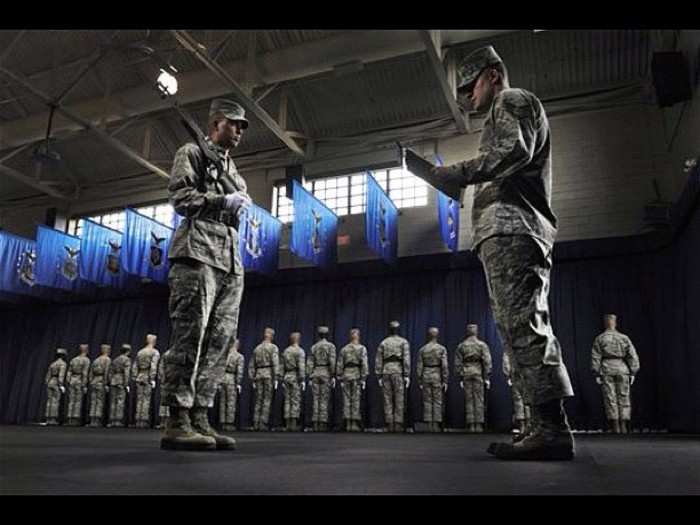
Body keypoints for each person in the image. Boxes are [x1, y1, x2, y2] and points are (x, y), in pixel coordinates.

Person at [405, 45, 574, 460]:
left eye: (470, 85)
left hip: (514, 229)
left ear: (493, 75)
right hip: (504, 233)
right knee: (517, 328)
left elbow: (512, 153)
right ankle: (541, 427)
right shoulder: (500, 110)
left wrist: (453, 174)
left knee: (524, 326)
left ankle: (552, 429)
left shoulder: (511, 101)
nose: (467, 97)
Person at [161, 98, 252, 451]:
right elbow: (181, 198)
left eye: (243, 126)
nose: (240, 130)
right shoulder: (193, 152)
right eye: (234, 123)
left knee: (221, 340)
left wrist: (237, 203)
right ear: (216, 123)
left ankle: (200, 414)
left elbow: (237, 213)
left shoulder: (236, 175)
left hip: (230, 260)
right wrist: (219, 202)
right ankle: (177, 420)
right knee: (191, 335)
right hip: (197, 251)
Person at [591, 314, 640, 434]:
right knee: (623, 396)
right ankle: (623, 424)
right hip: (622, 368)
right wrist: (633, 371)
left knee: (610, 397)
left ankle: (615, 425)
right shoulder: (624, 338)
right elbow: (632, 355)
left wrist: (596, 372)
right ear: (615, 323)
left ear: (605, 323)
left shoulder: (600, 338)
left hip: (607, 368)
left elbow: (595, 356)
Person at [455, 324, 492, 433]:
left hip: (467, 372)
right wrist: (487, 376)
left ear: (467, 332)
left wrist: (460, 376)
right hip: (478, 372)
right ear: (477, 332)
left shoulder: (462, 345)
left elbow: (458, 363)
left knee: (469, 399)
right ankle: (479, 424)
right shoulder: (482, 345)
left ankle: (471, 424)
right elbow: (487, 362)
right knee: (479, 398)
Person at [417, 327, 449, 432]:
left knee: (427, 400)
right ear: (437, 335)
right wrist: (445, 380)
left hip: (426, 374)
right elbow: (444, 366)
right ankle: (436, 424)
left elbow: (419, 366)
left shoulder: (423, 349)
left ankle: (428, 424)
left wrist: (420, 380)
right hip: (436, 375)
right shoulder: (441, 349)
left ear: (428, 335)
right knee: (437, 400)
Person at [66, 344, 90, 426]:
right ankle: (75, 420)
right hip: (79, 380)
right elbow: (85, 373)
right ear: (86, 350)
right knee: (78, 401)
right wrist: (84, 384)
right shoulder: (86, 360)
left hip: (72, 380)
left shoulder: (73, 359)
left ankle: (69, 418)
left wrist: (68, 381)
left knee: (71, 400)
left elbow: (69, 371)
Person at [44, 348, 67, 425]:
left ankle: (48, 418)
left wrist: (47, 383)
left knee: (49, 401)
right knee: (55, 401)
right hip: (56, 382)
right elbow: (61, 375)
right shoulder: (63, 364)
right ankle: (53, 419)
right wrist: (61, 385)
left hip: (50, 382)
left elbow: (47, 376)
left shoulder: (52, 364)